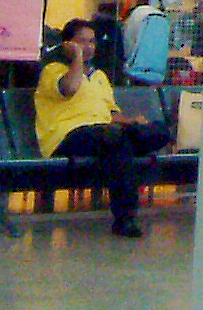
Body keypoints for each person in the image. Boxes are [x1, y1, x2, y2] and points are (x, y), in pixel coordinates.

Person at [35, 18, 157, 237]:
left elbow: (111, 114)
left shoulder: (100, 77)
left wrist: (130, 121)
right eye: (81, 42)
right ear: (67, 44)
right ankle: (125, 218)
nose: (88, 47)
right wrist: (77, 58)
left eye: (91, 42)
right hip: (67, 136)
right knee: (117, 141)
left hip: (103, 134)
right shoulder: (52, 71)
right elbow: (70, 88)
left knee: (150, 133)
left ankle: (135, 136)